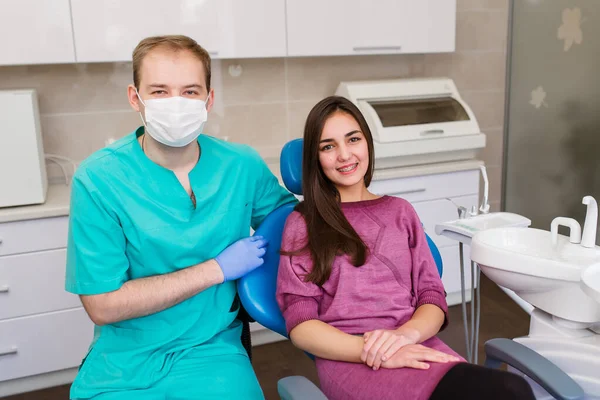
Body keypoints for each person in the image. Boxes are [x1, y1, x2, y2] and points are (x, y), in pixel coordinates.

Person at [65, 35, 297, 399]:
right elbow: (102, 304)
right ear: (134, 97)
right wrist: (216, 269)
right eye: (159, 91)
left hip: (212, 349)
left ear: (209, 99)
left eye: (190, 91)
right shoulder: (99, 179)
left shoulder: (240, 165)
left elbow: (298, 230)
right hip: (125, 359)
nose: (176, 103)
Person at [275, 96, 536, 400]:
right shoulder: (304, 222)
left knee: (511, 390)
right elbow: (302, 326)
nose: (344, 155)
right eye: (328, 146)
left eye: (353, 139)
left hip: (413, 343)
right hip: (352, 359)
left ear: (367, 143)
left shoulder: (400, 212)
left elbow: (431, 298)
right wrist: (375, 352)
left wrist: (404, 336)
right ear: (316, 158)